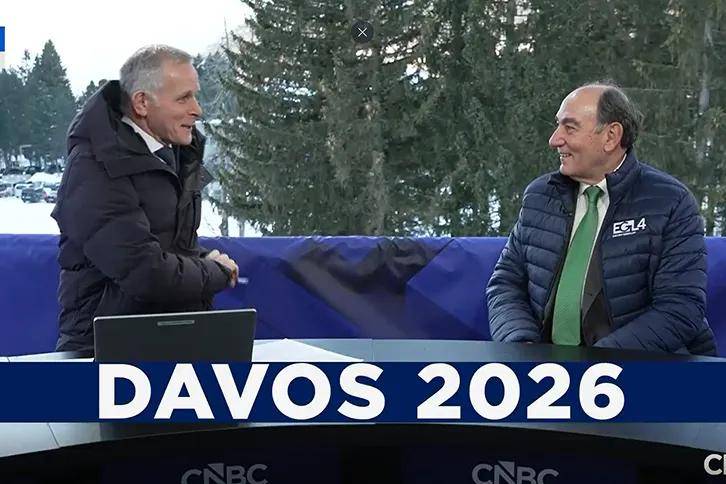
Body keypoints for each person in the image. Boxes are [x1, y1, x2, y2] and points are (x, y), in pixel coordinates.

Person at [486, 81, 716, 355]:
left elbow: (680, 309)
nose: (554, 139)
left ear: (611, 136)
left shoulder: (670, 201)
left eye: (570, 128)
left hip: (638, 369)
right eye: (558, 125)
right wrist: (520, 342)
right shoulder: (539, 196)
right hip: (547, 370)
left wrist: (599, 363)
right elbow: (506, 283)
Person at [52, 45, 239, 352]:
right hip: (105, 351)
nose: (197, 109)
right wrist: (215, 272)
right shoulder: (94, 166)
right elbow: (144, 271)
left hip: (174, 339)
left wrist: (202, 257)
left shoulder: (176, 155)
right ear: (142, 103)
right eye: (184, 98)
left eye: (195, 95)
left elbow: (166, 243)